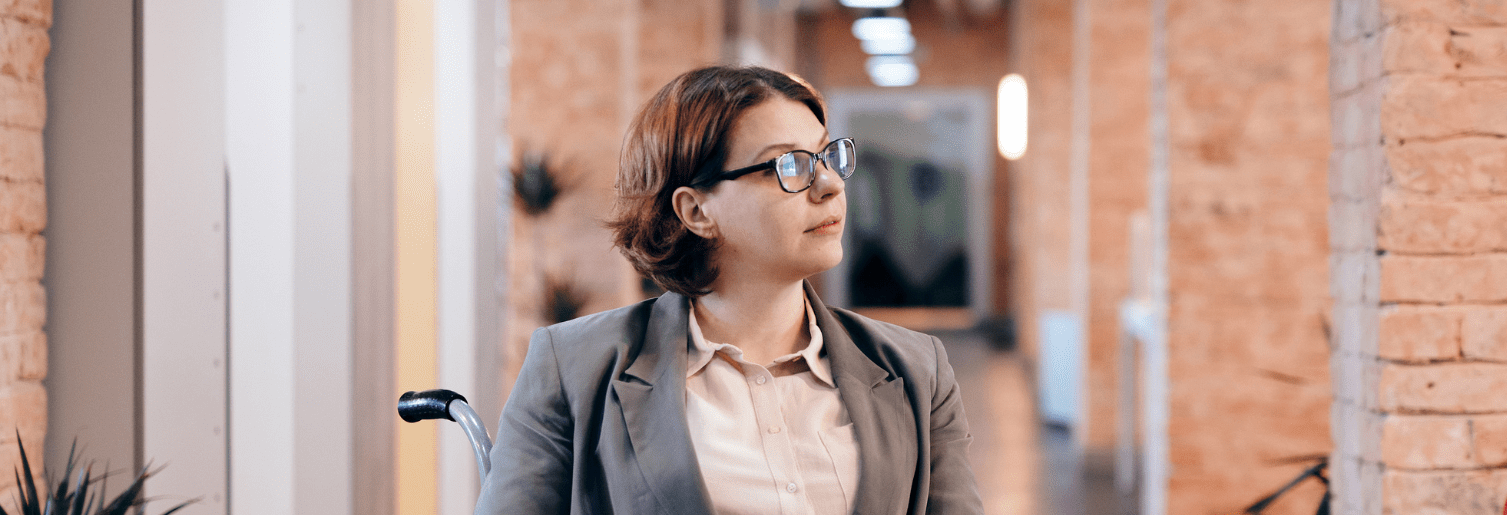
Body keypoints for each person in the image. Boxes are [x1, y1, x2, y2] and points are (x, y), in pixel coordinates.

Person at [474, 65, 983, 515]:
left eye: (826, 155)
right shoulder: (574, 369)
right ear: (697, 211)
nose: (830, 184)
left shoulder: (918, 369)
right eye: (789, 165)